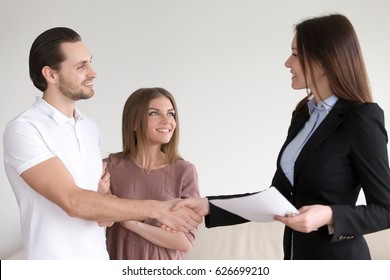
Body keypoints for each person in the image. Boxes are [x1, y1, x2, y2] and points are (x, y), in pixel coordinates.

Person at [173, 14, 390, 260]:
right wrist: (209, 206)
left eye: (296, 54)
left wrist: (329, 215)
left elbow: (385, 210)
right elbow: (278, 197)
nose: (287, 63)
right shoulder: (302, 114)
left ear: (323, 61)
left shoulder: (361, 118)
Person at [2, 27, 201, 260]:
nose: (93, 72)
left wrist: (104, 200)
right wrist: (159, 210)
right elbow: (74, 202)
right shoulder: (24, 129)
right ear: (51, 75)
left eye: (90, 62)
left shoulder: (89, 129)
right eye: (80, 66)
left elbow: (102, 219)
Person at [103, 87, 200, 260]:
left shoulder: (184, 171)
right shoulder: (110, 166)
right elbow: (103, 220)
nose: (167, 120)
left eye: (171, 114)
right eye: (154, 113)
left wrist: (133, 224)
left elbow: (184, 242)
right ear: (134, 122)